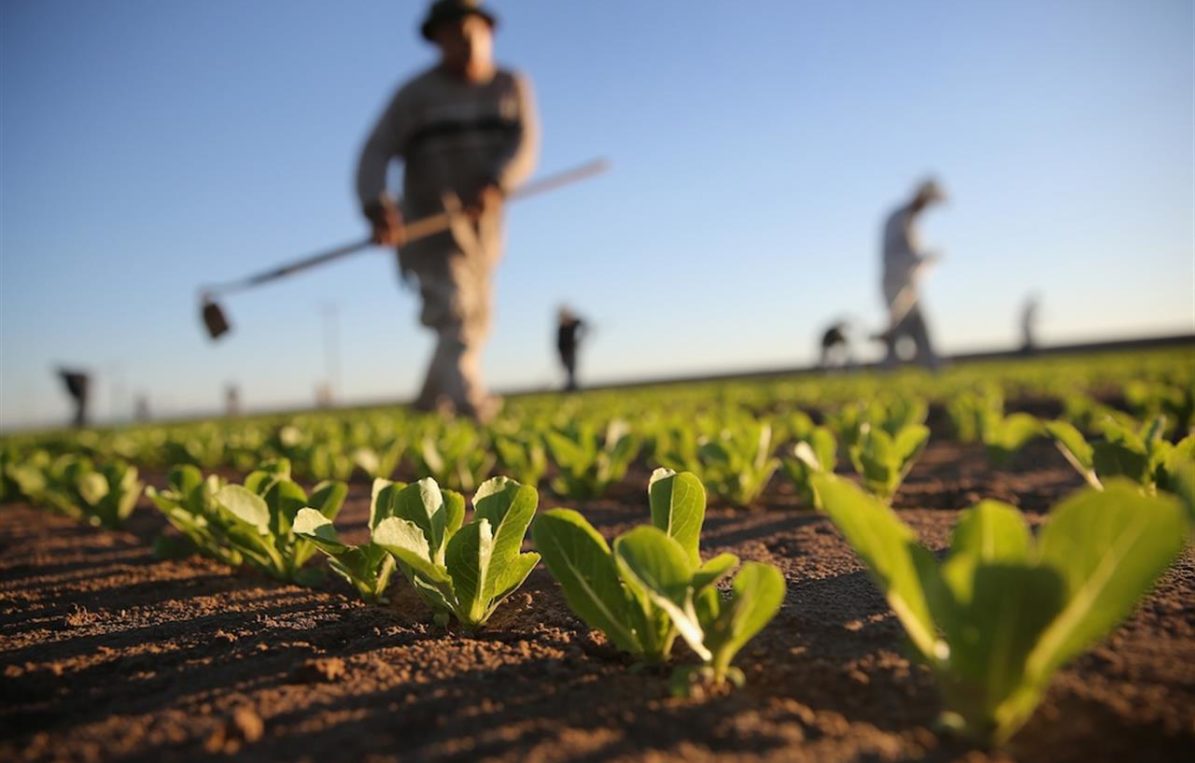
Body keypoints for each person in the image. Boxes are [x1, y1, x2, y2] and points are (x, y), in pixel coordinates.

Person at [356, 0, 539, 422]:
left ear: (488, 31)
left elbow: (524, 145)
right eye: (451, 36)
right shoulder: (414, 96)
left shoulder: (511, 86)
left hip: (484, 228)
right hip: (429, 224)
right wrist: (375, 203)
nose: (463, 44)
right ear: (437, 40)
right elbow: (375, 152)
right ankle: (470, 404)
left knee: (476, 317)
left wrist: (498, 181)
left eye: (470, 32)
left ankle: (426, 404)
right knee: (453, 309)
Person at [876, 178, 945, 369]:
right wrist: (923, 258)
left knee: (918, 328)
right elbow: (896, 254)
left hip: (909, 285)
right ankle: (889, 370)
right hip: (895, 283)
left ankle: (932, 367)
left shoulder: (911, 220)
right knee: (898, 330)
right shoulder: (899, 218)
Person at [556, 306, 587, 391]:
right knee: (568, 370)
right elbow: (559, 343)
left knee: (572, 369)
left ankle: (572, 387)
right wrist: (561, 353)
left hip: (571, 351)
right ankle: (570, 386)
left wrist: (580, 338)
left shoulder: (573, 323)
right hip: (564, 352)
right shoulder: (561, 327)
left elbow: (583, 324)